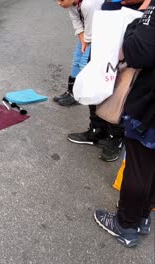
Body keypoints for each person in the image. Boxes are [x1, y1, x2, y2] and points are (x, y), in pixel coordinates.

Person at [94, 0, 155, 248]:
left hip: (149, 105)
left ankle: (126, 224)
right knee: (151, 165)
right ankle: (141, 217)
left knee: (138, 166)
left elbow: (138, 50)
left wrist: (135, 23)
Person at [66, 0, 144, 163]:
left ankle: (115, 136)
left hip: (131, 21)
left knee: (120, 84)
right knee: (95, 76)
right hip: (106, 19)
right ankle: (96, 129)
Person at [54, 0, 104, 106]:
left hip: (99, 34)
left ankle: (80, 95)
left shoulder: (89, 4)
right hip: (87, 33)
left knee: (84, 63)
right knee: (77, 59)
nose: (59, 3)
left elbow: (92, 31)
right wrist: (82, 41)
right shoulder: (72, 4)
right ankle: (71, 91)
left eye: (61, 0)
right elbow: (76, 22)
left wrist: (85, 44)